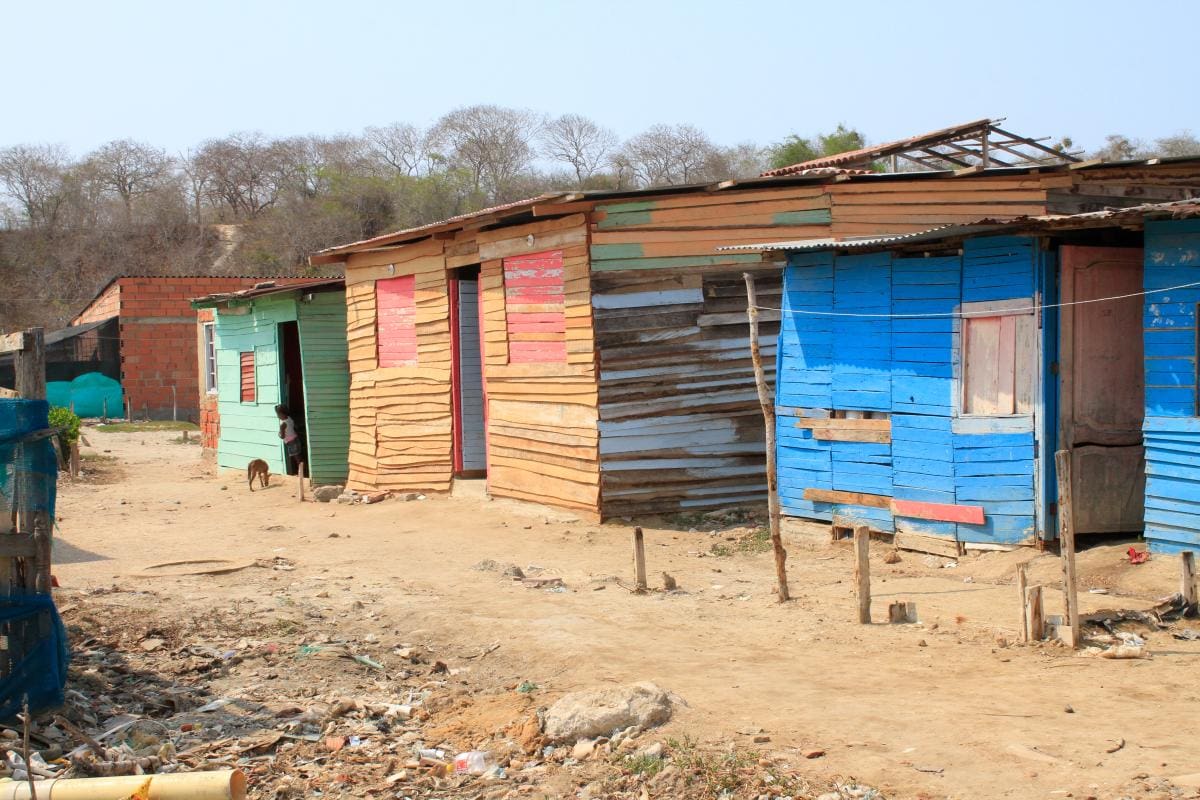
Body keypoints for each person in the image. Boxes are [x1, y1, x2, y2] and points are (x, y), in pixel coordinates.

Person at [276, 404, 302, 475]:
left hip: (291, 442)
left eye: (278, 414)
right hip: (295, 438)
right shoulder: (289, 418)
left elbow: (282, 436)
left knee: (296, 459)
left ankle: (300, 474)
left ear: (281, 414)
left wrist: (279, 434)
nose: (277, 416)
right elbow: (294, 426)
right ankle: (300, 472)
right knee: (298, 457)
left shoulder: (283, 424)